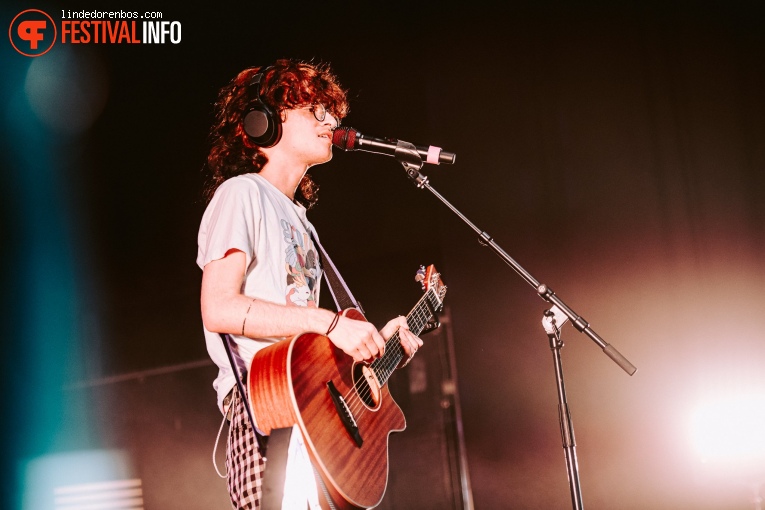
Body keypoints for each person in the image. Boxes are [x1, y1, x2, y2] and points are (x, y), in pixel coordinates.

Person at [196, 59, 423, 509]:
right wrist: (331, 322)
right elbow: (218, 308)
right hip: (268, 411)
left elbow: (308, 341)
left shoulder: (302, 222)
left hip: (313, 414)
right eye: (315, 111)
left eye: (332, 113)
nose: (333, 122)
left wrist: (377, 344)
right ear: (264, 123)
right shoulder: (241, 193)